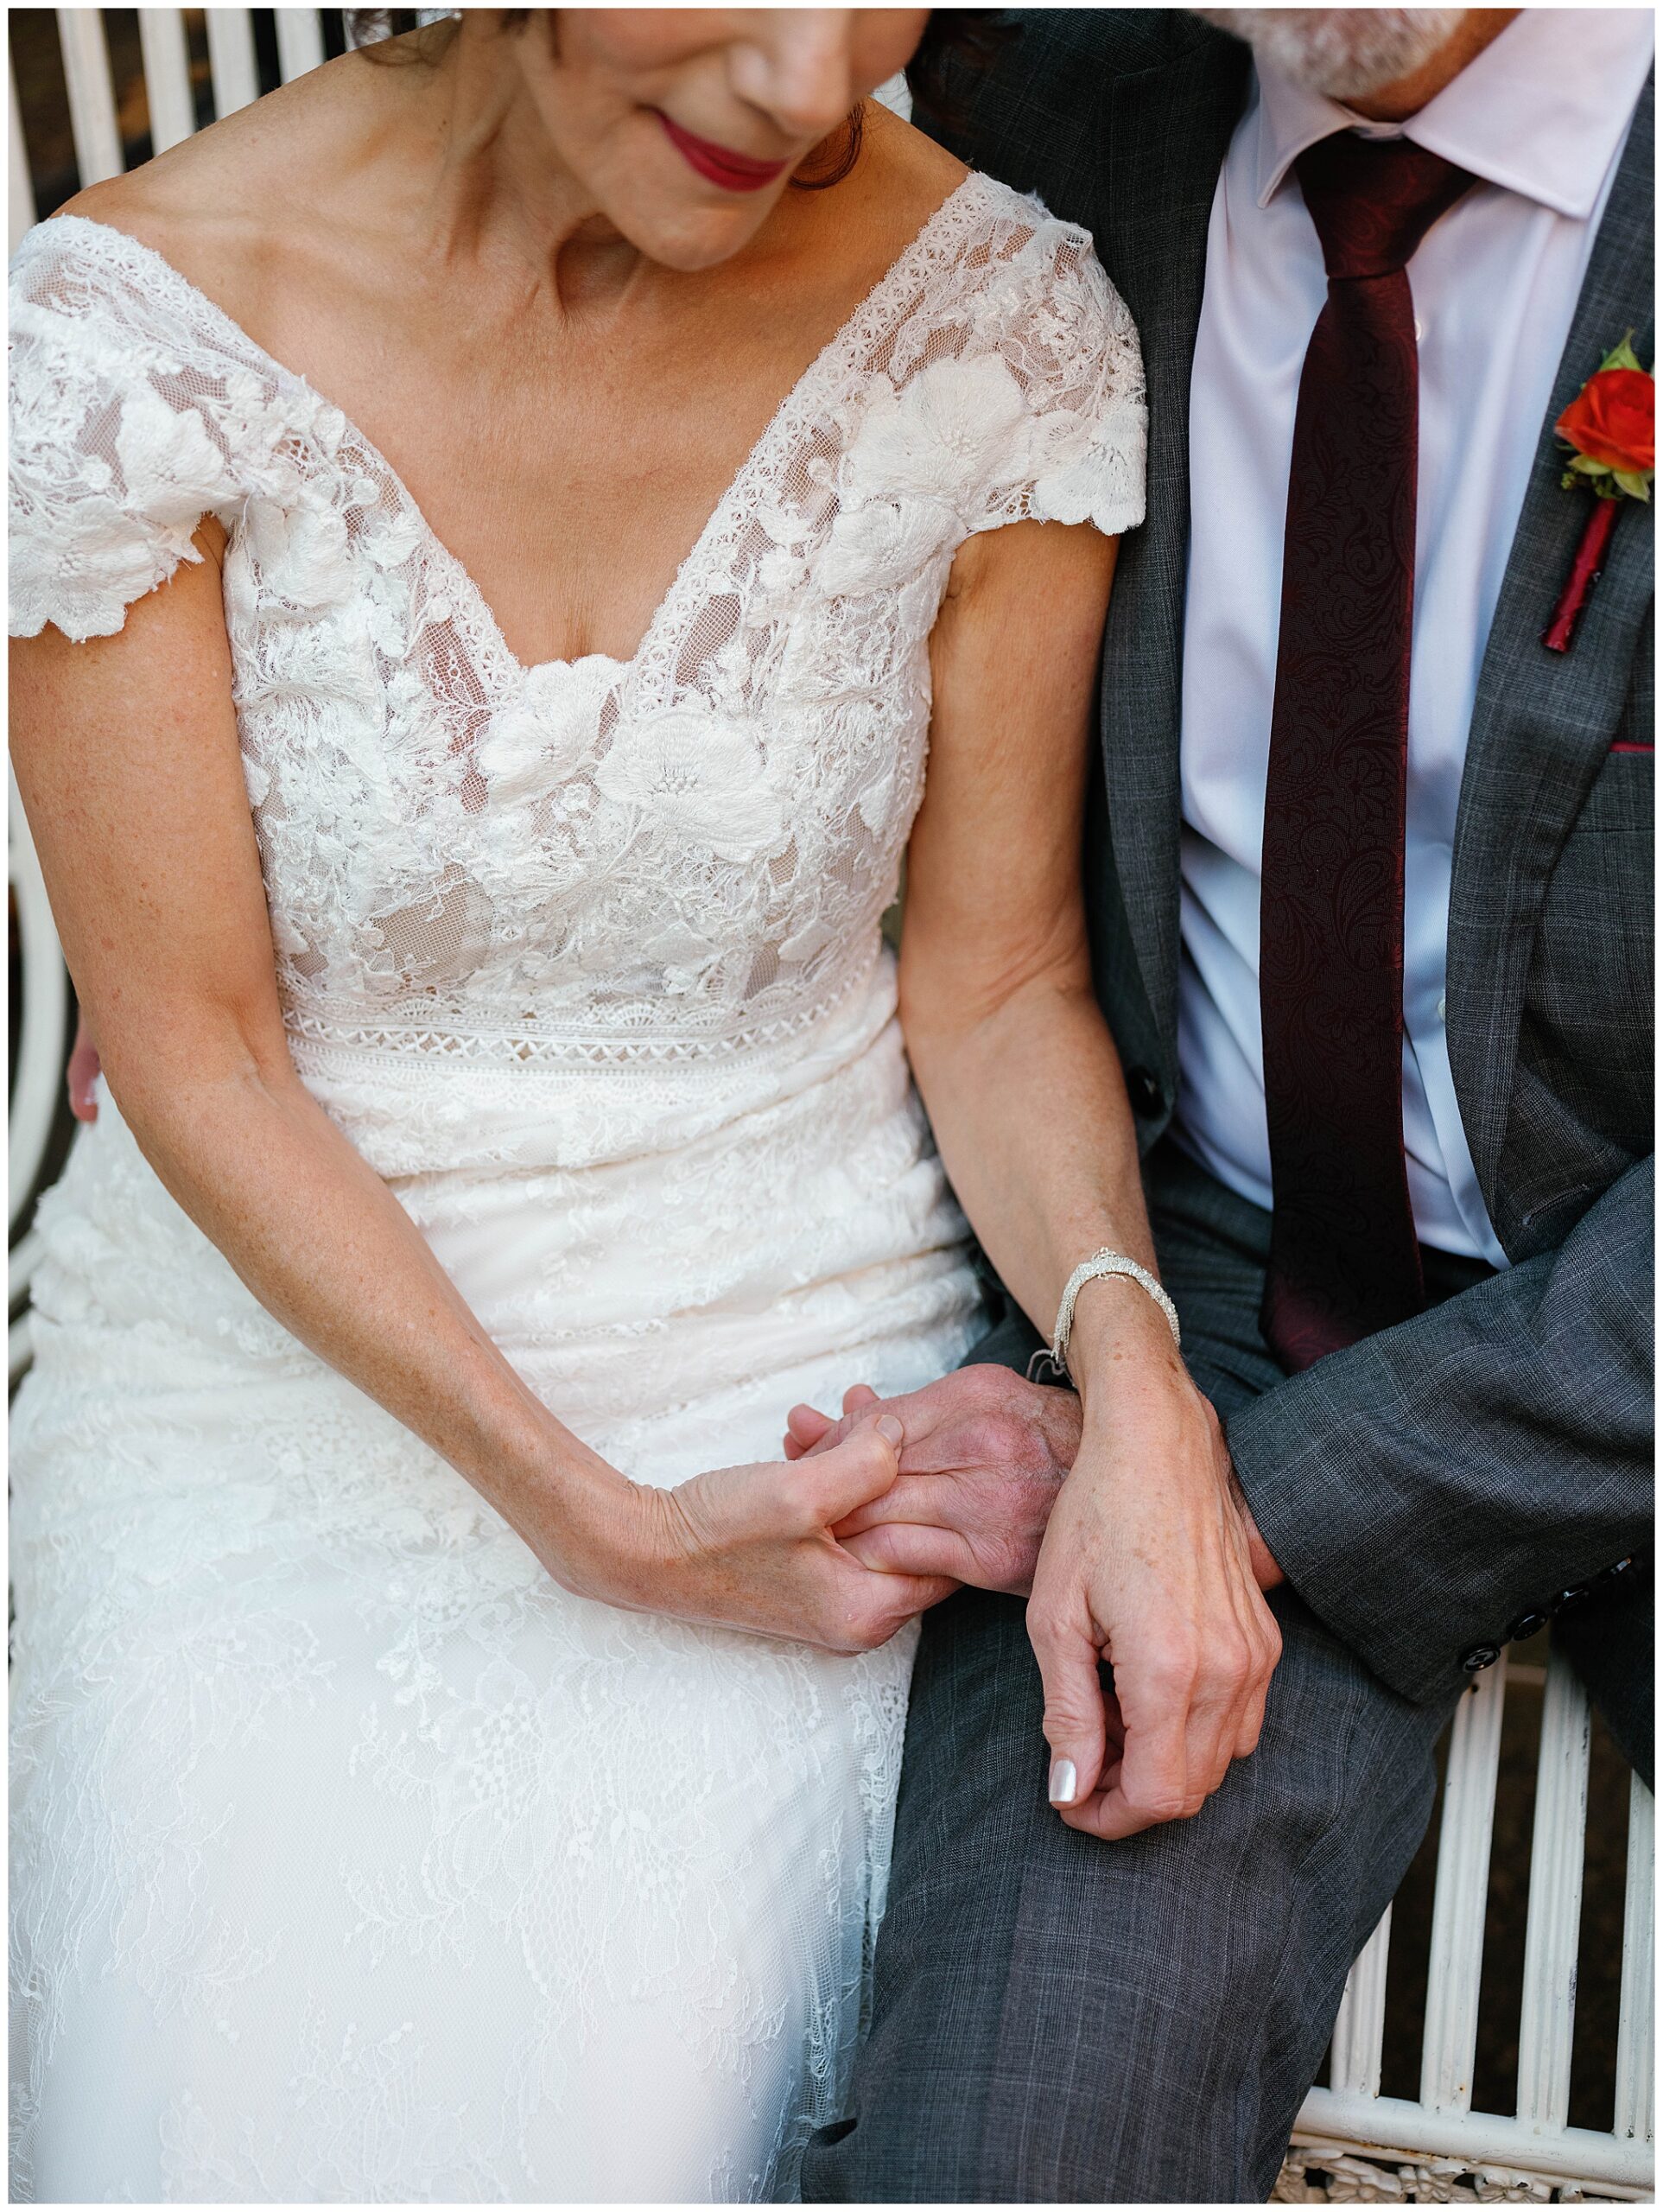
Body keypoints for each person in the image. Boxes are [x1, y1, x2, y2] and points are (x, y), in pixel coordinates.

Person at [7, 8, 1242, 2200]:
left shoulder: (1003, 319)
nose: (803, 78)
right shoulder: (127, 332)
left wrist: (1132, 1368)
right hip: (259, 1399)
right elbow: (190, 1044)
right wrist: (592, 1518)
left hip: (799, 1397)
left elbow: (999, 980)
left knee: (636, 2079)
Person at [790, 8, 1655, 2201]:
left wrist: (1250, 1507)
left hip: (1515, 1313)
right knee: (1004, 2148)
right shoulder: (1046, 115)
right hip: (1195, 1276)